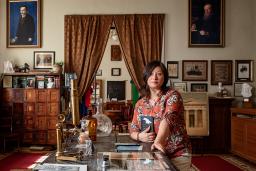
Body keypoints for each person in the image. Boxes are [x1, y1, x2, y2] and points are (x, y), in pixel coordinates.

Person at [129, 61, 192, 170]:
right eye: (151, 74)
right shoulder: (140, 103)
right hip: (152, 154)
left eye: (159, 74)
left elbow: (168, 119)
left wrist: (158, 141)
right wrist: (139, 136)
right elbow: (133, 129)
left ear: (164, 77)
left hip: (176, 154)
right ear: (146, 77)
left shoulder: (173, 95)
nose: (155, 77)